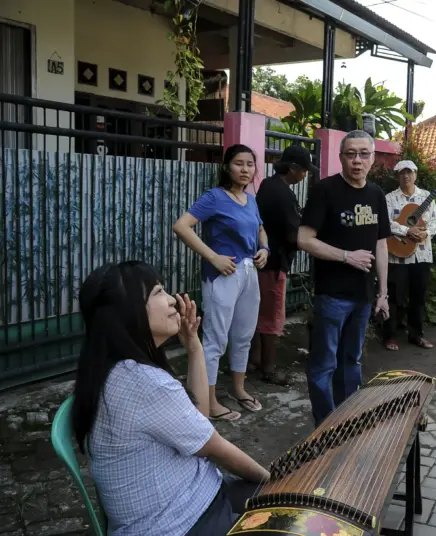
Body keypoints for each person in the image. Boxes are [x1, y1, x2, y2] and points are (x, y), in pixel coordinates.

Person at [71, 261, 270, 536]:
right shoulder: (144, 383)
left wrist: (194, 346)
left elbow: (197, 423)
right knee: (294, 510)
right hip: (180, 523)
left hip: (195, 499)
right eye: (159, 292)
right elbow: (214, 447)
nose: (173, 301)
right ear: (130, 312)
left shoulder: (115, 368)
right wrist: (273, 480)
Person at [298, 130, 391, 425]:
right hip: (332, 295)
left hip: (363, 296)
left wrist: (383, 292)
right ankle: (325, 424)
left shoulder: (376, 194)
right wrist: (346, 256)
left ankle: (348, 419)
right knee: (324, 364)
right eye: (350, 154)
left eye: (364, 154)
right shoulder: (324, 190)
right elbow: (304, 239)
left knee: (352, 361)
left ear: (373, 158)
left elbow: (381, 243)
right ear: (340, 158)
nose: (357, 160)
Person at [173, 144, 269, 420]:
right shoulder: (214, 197)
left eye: (250, 164)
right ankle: (209, 401)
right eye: (239, 164)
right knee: (216, 339)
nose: (245, 169)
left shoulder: (250, 199)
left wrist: (265, 249)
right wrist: (213, 256)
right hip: (222, 276)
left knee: (243, 335)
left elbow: (260, 228)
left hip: (249, 273)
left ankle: (239, 389)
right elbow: (181, 226)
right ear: (227, 167)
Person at [251, 145, 317, 386]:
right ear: (293, 169)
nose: (305, 175)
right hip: (274, 261)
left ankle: (255, 359)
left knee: (259, 314)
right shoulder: (283, 194)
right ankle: (268, 369)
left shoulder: (269, 185)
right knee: (272, 317)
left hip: (262, 259)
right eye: (304, 171)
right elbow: (293, 235)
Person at [382, 159, 436, 351]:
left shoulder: (427, 197)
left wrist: (426, 233)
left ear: (415, 175)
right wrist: (406, 230)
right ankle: (389, 336)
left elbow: (434, 222)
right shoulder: (390, 198)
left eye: (409, 172)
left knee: (418, 297)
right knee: (394, 297)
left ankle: (416, 335)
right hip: (398, 253)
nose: (405, 176)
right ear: (397, 176)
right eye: (401, 173)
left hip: (422, 255)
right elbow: (386, 223)